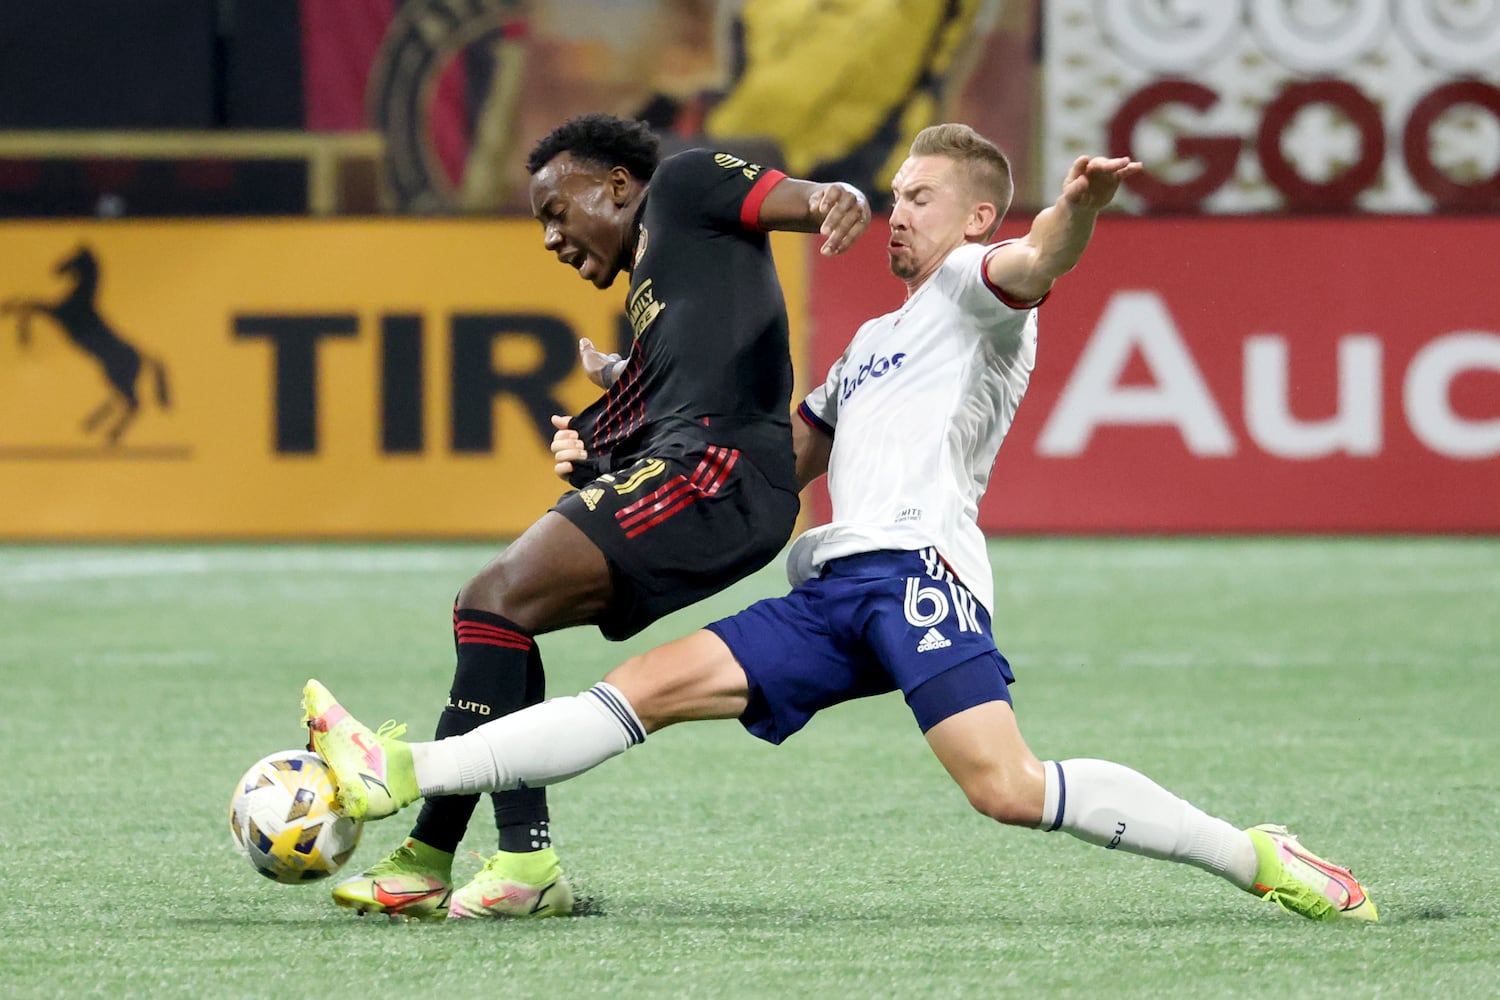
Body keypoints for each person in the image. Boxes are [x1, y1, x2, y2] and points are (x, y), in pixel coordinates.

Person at [306, 124, 1376, 923]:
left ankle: (1256, 855)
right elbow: (782, 458)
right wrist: (633, 415)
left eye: (921, 196)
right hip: (832, 589)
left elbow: (1040, 261)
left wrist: (1081, 207)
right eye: (896, 193)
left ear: (973, 218)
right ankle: (404, 773)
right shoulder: (869, 343)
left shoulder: (976, 293)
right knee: (637, 693)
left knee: (1006, 788)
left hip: (920, 576)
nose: (900, 212)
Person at [328, 112, 870, 921]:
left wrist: (841, 197)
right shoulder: (662, 293)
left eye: (556, 210)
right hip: (707, 477)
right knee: (503, 616)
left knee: (493, 600)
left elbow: (798, 197)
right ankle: (448, 861)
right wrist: (603, 440)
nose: (550, 238)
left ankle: (505, 862)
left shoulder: (682, 188)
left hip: (718, 476)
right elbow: (686, 395)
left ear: (617, 186)